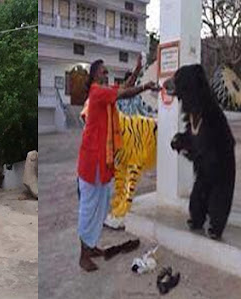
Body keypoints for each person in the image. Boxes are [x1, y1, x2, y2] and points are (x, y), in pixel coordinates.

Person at [77, 59, 157, 272]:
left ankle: (91, 246)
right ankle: (83, 255)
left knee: (102, 207)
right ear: (95, 75)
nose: (106, 74)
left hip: (103, 163)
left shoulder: (103, 92)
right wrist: (145, 87)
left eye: (106, 71)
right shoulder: (96, 93)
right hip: (91, 163)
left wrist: (138, 71)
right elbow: (123, 94)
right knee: (89, 209)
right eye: (103, 72)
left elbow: (123, 88)